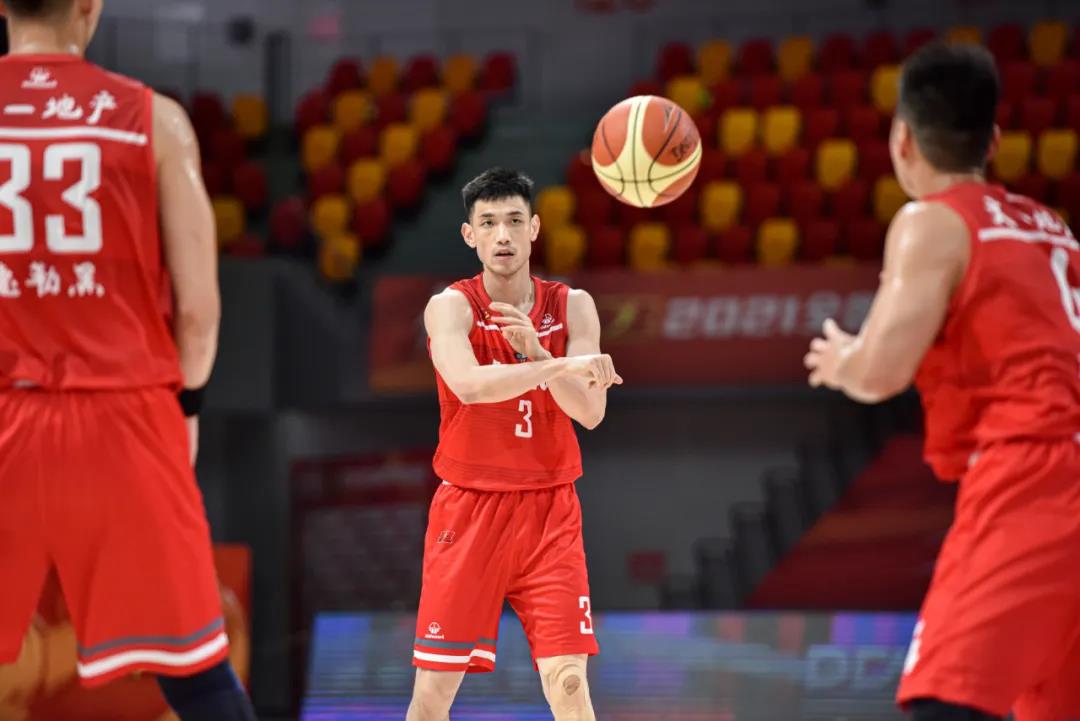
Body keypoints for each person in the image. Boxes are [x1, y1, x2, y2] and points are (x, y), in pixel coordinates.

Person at [804, 42, 1080, 721]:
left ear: (902, 139)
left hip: (1033, 476)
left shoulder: (932, 220)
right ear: (994, 141)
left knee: (946, 700)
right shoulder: (1055, 229)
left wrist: (842, 361)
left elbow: (880, 371)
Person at [0, 1, 256, 718]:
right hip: (126, 418)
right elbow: (199, 316)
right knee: (197, 670)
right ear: (90, 5)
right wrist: (187, 407)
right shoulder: (155, 120)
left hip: (6, 410)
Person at [407, 167, 621, 721]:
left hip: (551, 512)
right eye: (488, 223)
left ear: (534, 229)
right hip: (470, 510)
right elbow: (470, 386)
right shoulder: (450, 306)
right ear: (469, 235)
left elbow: (590, 412)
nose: (502, 235)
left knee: (570, 685)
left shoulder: (573, 305)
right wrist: (557, 365)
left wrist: (539, 354)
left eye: (513, 221)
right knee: (432, 696)